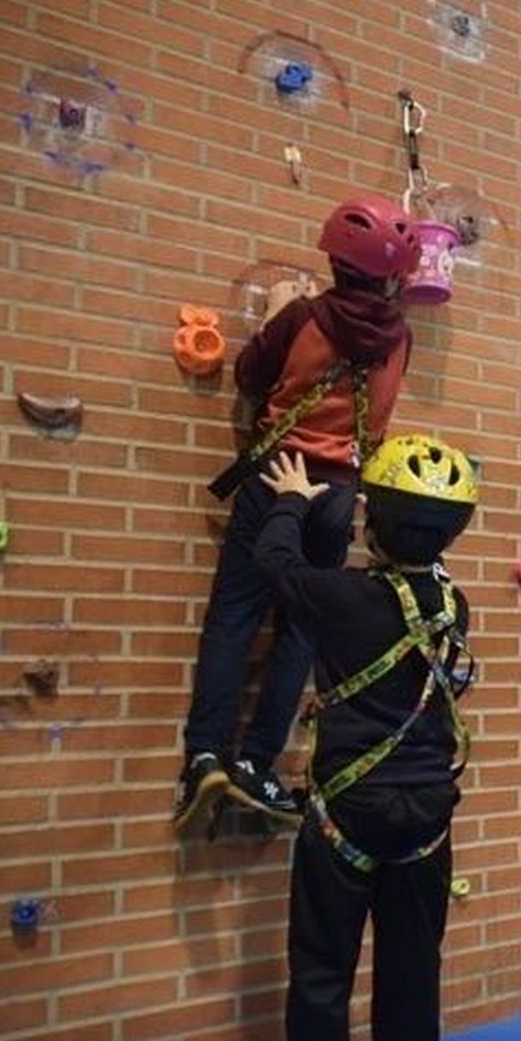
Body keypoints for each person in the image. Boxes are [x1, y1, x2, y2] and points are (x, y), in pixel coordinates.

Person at [173, 196, 420, 832]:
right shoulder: (399, 340)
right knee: (303, 630)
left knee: (235, 614)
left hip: (279, 475)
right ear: (394, 276)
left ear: (335, 259)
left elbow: (252, 375)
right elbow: (383, 419)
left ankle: (206, 757)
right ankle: (259, 762)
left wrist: (283, 316)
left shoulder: (304, 317)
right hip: (338, 493)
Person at [255, 437, 478, 1041]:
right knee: (412, 975)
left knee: (323, 973)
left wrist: (293, 502)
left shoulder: (342, 598)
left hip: (346, 814)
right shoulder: (452, 607)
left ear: (373, 518)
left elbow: (276, 562)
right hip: (427, 816)